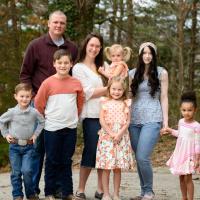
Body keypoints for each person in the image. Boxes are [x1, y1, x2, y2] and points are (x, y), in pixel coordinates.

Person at [19, 10, 78, 196]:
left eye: (62, 22)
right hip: (39, 106)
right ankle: (34, 190)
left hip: (62, 110)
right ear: (48, 23)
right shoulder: (36, 45)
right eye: (55, 22)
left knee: (59, 153)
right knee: (38, 150)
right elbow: (25, 75)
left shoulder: (72, 48)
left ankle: (59, 189)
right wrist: (34, 99)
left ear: (65, 25)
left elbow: (74, 77)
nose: (58, 25)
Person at [34, 49, 84, 200]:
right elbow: (38, 104)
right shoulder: (47, 83)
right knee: (51, 160)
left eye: (66, 63)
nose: (63, 65)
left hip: (70, 128)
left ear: (71, 64)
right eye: (60, 62)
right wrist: (47, 119)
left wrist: (74, 117)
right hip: (52, 128)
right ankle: (49, 192)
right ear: (54, 64)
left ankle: (67, 192)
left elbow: (80, 103)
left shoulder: (76, 83)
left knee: (66, 160)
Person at [129, 42, 168, 200]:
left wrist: (165, 122)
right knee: (139, 156)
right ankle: (144, 191)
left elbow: (164, 98)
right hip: (134, 120)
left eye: (150, 53)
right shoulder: (132, 73)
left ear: (154, 55)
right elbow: (129, 98)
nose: (147, 55)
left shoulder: (161, 72)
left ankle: (149, 192)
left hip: (152, 118)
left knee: (142, 156)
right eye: (144, 53)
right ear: (140, 55)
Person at [72, 32, 107, 200]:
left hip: (108, 115)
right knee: (91, 150)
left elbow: (120, 84)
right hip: (91, 115)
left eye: (98, 46)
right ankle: (80, 188)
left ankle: (101, 189)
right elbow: (86, 93)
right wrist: (111, 88)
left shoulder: (104, 66)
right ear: (86, 45)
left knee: (104, 152)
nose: (94, 49)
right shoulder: (78, 68)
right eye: (91, 45)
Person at [0, 83, 45, 200]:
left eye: (27, 96)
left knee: (27, 171)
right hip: (14, 147)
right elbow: (1, 121)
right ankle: (17, 195)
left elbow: (42, 122)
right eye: (22, 96)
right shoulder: (11, 112)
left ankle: (30, 194)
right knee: (16, 173)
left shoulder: (34, 112)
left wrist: (35, 134)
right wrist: (5, 134)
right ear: (15, 96)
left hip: (29, 147)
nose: (24, 99)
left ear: (31, 97)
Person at [96, 76, 134, 200]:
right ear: (109, 89)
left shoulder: (126, 103)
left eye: (119, 90)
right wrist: (112, 133)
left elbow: (128, 121)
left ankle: (116, 194)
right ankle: (106, 194)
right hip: (107, 137)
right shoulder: (104, 102)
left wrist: (119, 134)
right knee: (106, 167)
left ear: (123, 90)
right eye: (114, 89)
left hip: (121, 137)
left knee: (117, 168)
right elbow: (102, 120)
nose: (116, 92)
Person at [165, 91, 200, 200]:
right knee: (181, 177)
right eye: (184, 110)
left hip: (190, 155)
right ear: (181, 110)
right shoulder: (181, 122)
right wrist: (170, 130)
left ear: (195, 110)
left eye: (189, 110)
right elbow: (179, 134)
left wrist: (198, 157)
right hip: (180, 153)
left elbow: (197, 142)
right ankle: (184, 197)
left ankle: (190, 198)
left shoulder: (196, 126)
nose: (187, 113)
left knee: (188, 178)